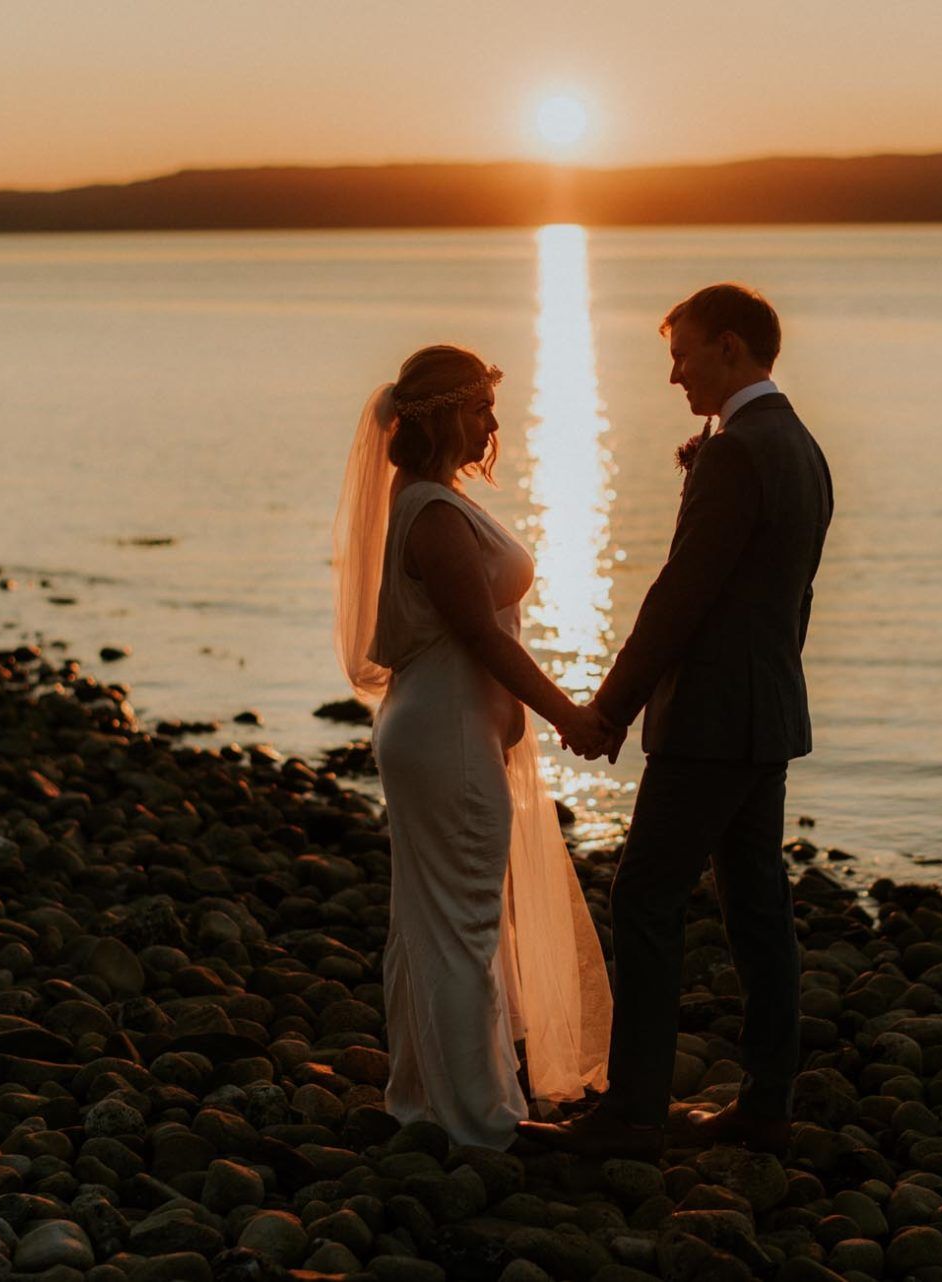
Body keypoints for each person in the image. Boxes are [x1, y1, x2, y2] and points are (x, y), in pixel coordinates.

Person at [519, 284, 833, 1159]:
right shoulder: (801, 446)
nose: (672, 375)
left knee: (646, 896)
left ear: (731, 349)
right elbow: (787, 600)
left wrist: (609, 707)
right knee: (757, 908)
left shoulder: (738, 454)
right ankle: (769, 1104)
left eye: (683, 354)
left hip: (710, 720)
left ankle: (635, 1112)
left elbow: (680, 600)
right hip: (767, 711)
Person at [331, 344, 613, 1149]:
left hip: (441, 727)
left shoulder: (432, 498)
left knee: (431, 923)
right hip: (446, 735)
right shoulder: (432, 514)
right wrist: (571, 713)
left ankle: (424, 1100)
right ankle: (483, 1121)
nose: (494, 420)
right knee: (464, 925)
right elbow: (483, 638)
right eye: (482, 405)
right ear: (449, 412)